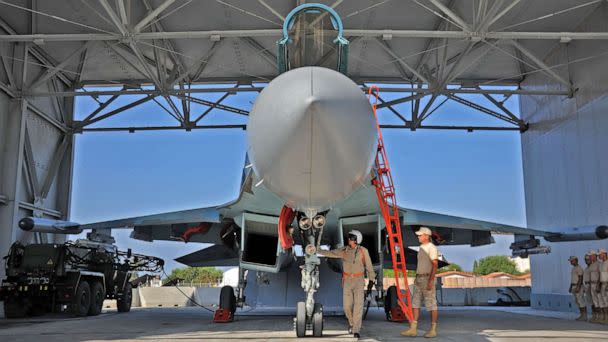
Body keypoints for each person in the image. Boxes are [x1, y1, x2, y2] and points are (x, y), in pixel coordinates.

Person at [318, 229, 376, 339]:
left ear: (356, 240)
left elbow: (369, 266)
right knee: (347, 307)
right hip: (347, 281)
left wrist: (371, 281)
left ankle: (356, 330)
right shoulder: (344, 250)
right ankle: (352, 323)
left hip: (359, 281)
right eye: (349, 237)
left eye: (351, 238)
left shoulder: (363, 251)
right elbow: (331, 253)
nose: (349, 239)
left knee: (358, 307)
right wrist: (318, 250)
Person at [401, 227, 439, 338]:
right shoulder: (421, 247)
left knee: (432, 305)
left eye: (420, 235)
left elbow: (435, 264)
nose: (418, 236)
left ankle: (433, 329)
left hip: (427, 279)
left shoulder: (431, 247)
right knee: (415, 304)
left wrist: (431, 280)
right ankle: (413, 329)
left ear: (426, 236)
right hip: (419, 279)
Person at [568, 256, 586, 321]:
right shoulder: (573, 268)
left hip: (578, 286)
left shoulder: (579, 268)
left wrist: (578, 287)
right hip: (573, 286)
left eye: (571, 260)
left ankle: (584, 316)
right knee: (577, 301)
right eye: (570, 261)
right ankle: (581, 315)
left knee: (581, 301)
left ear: (576, 260)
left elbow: (581, 278)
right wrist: (570, 287)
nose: (570, 262)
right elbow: (573, 279)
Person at [588, 250, 601, 323]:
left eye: (590, 256)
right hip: (592, 284)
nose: (589, 257)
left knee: (599, 301)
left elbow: (600, 275)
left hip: (596, 284)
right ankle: (596, 316)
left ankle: (601, 316)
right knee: (594, 302)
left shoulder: (599, 264)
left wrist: (598, 285)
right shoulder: (592, 265)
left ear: (594, 256)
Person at [598, 249, 608, 324]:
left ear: (604, 254)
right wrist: (598, 285)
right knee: (603, 301)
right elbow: (600, 276)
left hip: (606, 284)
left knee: (606, 301)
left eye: (600, 254)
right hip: (602, 285)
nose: (598, 256)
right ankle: (605, 317)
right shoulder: (601, 264)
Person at [583, 253, 593, 321]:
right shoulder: (586, 268)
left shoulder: (593, 267)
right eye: (586, 260)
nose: (587, 261)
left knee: (596, 302)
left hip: (592, 285)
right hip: (587, 286)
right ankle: (594, 315)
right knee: (591, 302)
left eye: (588, 260)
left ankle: (599, 316)